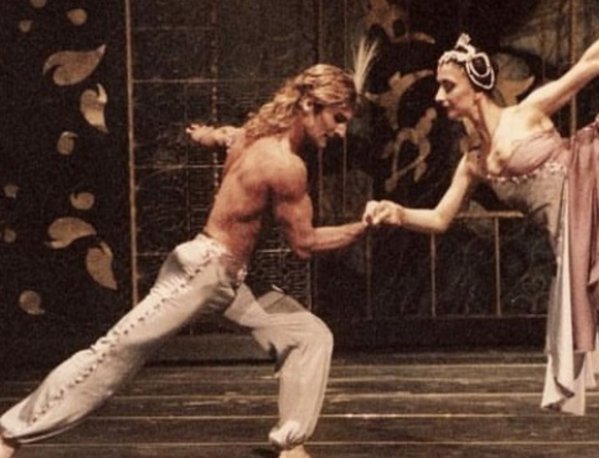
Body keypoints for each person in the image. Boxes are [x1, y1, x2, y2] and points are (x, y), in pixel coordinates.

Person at [364, 0, 599, 456]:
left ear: (476, 85)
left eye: (448, 85)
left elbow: (591, 65)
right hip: (582, 221)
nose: (439, 96)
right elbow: (439, 219)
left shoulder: (525, 114)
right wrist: (396, 212)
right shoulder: (473, 163)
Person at [1, 63, 371, 458]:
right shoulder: (286, 166)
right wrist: (367, 226)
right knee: (114, 354)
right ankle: (8, 434)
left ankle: (291, 447)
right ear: (310, 105)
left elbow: (225, 136)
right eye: (338, 118)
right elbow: (304, 244)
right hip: (202, 272)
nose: (340, 131)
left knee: (308, 335)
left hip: (231, 280)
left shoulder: (253, 134)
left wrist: (205, 135)